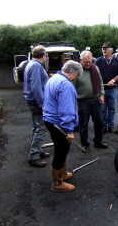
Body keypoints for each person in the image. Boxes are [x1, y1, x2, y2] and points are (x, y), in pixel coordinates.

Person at [43, 60, 83, 192]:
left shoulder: (53, 78)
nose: (74, 79)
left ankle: (63, 174)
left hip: (49, 120)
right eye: (75, 76)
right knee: (61, 151)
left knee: (62, 149)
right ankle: (57, 183)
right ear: (71, 72)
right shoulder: (66, 85)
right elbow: (66, 110)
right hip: (58, 123)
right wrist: (69, 130)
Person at [73, 51, 108, 152]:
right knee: (83, 125)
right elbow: (72, 89)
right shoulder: (77, 71)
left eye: (89, 61)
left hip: (95, 101)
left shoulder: (95, 68)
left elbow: (100, 82)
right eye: (85, 62)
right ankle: (85, 144)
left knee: (99, 123)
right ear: (81, 60)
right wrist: (75, 103)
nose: (88, 64)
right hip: (83, 102)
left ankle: (98, 141)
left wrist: (101, 95)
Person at [23, 45, 50, 167]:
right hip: (35, 102)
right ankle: (33, 156)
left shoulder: (31, 64)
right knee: (41, 128)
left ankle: (38, 150)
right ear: (44, 56)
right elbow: (36, 87)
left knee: (36, 127)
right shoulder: (35, 66)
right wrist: (42, 104)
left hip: (32, 101)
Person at [95, 42, 118, 133]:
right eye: (103, 49)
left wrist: (113, 80)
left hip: (113, 88)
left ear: (111, 50)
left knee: (112, 108)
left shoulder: (116, 61)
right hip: (102, 89)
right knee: (103, 109)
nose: (104, 50)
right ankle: (103, 126)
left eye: (106, 49)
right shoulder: (99, 61)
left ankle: (110, 126)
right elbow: (94, 72)